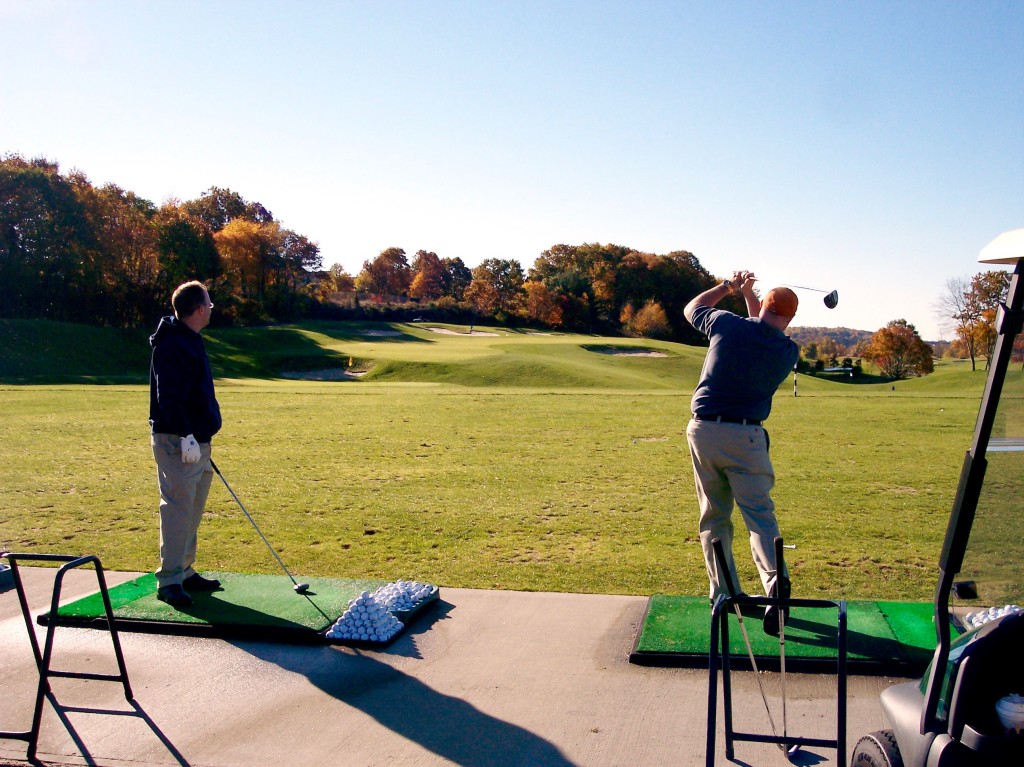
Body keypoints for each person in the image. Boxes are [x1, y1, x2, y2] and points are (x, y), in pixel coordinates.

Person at [683, 271, 799, 635]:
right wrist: (751, 296)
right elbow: (763, 328)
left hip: (705, 431)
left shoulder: (727, 325)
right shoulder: (787, 351)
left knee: (715, 516)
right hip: (748, 437)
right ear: (790, 318)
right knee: (760, 516)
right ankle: (774, 582)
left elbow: (693, 308)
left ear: (763, 305)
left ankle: (725, 592)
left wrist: (730, 287)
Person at [149, 281, 223, 608]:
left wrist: (199, 437)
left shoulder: (190, 339)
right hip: (178, 441)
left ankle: (185, 569)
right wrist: (187, 437)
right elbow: (170, 398)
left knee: (192, 507)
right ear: (197, 309)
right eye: (208, 303)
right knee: (178, 507)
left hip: (195, 441)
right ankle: (169, 580)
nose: (211, 308)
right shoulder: (173, 345)